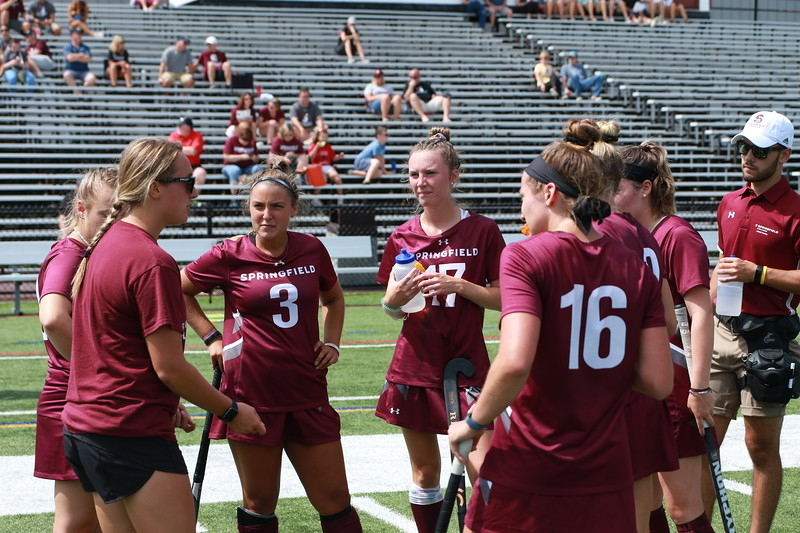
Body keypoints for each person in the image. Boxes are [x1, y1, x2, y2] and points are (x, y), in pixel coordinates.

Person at [448, 121, 673, 533]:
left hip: (531, 462)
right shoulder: (633, 265)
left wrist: (473, 423)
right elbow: (659, 382)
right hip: (607, 469)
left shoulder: (525, 255)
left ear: (549, 193)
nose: (521, 209)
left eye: (523, 195)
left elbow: (515, 363)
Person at [63, 137, 265, 533]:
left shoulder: (106, 244)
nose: (194, 192)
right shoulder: (151, 261)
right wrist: (231, 411)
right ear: (155, 188)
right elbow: (169, 367)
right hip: (128, 432)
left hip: (88, 427)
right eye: (187, 182)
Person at [181, 158, 364, 533]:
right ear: (248, 209)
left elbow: (333, 298)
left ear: (294, 209)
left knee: (334, 499)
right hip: (251, 394)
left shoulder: (311, 248)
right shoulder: (228, 253)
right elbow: (177, 290)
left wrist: (332, 342)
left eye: (277, 206)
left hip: (306, 389)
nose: (267, 215)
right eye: (259, 206)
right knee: (260, 503)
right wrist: (211, 337)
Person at [376, 127, 505, 533]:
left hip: (467, 365)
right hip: (414, 366)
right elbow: (393, 311)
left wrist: (460, 286)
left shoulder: (483, 230)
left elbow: (505, 297)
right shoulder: (401, 235)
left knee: (483, 468)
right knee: (425, 472)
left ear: (454, 176)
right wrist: (392, 302)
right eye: (414, 174)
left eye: (430, 173)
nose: (421, 182)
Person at [701, 111, 799, 533]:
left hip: (769, 340)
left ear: (783, 155)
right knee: (705, 445)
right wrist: (707, 302)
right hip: (722, 332)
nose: (747, 156)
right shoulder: (729, 201)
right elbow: (724, 263)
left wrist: (757, 274)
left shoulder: (796, 211)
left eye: (759, 151)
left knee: (761, 449)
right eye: (743, 147)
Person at [615, 141, 715, 533]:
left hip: (676, 383)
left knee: (682, 505)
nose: (609, 194)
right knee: (646, 499)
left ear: (646, 187)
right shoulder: (628, 234)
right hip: (646, 386)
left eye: (618, 186)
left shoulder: (676, 235)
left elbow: (701, 313)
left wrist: (700, 388)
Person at [35, 167, 117, 533]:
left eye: (120, 213)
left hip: (85, 396)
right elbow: (53, 318)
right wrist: (101, 369)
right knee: (78, 522)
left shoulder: (92, 252)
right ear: (81, 209)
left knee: (99, 519)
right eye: (105, 213)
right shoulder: (71, 254)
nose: (112, 223)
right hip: (73, 398)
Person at [222, 120, 262, 201]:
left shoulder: (252, 142)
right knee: (235, 170)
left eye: (247, 141)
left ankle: (257, 196)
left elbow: (257, 158)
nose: (246, 143)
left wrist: (254, 158)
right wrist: (242, 157)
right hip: (230, 166)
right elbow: (226, 157)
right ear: (239, 136)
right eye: (244, 141)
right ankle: (234, 199)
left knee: (257, 169)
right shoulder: (232, 140)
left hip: (248, 167)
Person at [168, 116, 207, 193]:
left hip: (194, 165)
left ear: (189, 127)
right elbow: (170, 149)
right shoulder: (174, 135)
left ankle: (191, 195)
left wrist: (178, 147)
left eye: (183, 126)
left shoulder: (197, 135)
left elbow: (193, 151)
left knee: (200, 173)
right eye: (180, 126)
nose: (180, 128)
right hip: (177, 165)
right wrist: (187, 149)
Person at [308, 126, 345, 198]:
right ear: (318, 137)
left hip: (327, 166)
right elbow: (310, 157)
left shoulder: (328, 146)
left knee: (338, 179)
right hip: (317, 166)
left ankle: (340, 198)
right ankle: (315, 198)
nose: (324, 139)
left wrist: (339, 156)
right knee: (321, 180)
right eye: (322, 137)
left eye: (325, 137)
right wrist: (316, 147)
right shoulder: (314, 145)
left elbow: (333, 158)